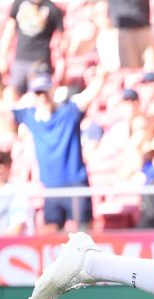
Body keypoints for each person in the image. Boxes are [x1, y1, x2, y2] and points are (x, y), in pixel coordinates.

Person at [11, 69, 106, 233]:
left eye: (45, 92)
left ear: (52, 91)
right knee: (50, 235)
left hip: (76, 184)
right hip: (50, 188)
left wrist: (101, 76)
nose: (43, 97)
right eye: (38, 93)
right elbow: (7, 106)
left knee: (84, 235)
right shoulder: (30, 116)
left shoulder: (68, 112)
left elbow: (89, 95)